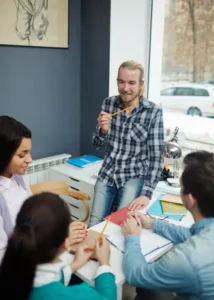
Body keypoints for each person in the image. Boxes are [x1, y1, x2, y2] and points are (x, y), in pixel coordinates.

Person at [121, 151, 214, 300]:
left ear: (190, 200)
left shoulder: (186, 258)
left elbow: (135, 274)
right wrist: (152, 223)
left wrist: (132, 236)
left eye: (181, 187)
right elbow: (192, 234)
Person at [0, 116, 87, 263]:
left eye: (29, 152)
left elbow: (32, 218)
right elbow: (5, 258)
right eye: (22, 155)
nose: (30, 160)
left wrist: (61, 225)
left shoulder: (15, 177)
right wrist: (58, 241)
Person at [0, 192, 116, 300]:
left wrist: (75, 265)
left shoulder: (12, 272)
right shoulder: (74, 295)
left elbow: (43, 282)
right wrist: (105, 264)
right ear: (66, 242)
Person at [90, 60, 164, 226]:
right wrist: (103, 130)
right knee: (95, 222)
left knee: (120, 224)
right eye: (121, 82)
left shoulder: (153, 112)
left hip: (133, 176)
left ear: (141, 84)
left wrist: (147, 193)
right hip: (108, 173)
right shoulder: (108, 104)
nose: (125, 88)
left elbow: (156, 157)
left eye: (131, 83)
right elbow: (96, 144)